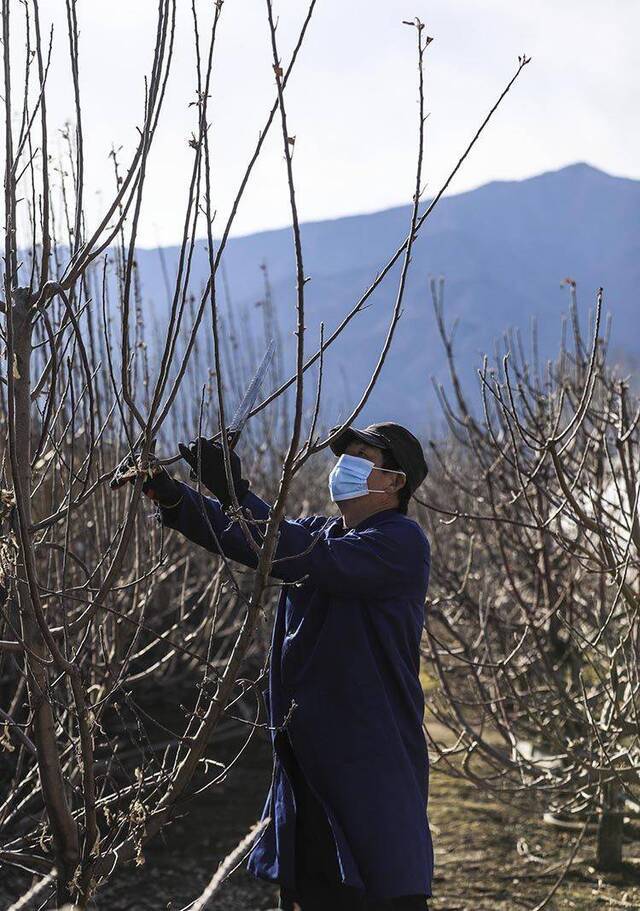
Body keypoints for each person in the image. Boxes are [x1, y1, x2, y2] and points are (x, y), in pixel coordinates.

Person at [118, 422, 434, 910]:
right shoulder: (317, 531)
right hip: (307, 754)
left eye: (361, 455)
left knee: (375, 881)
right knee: (313, 885)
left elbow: (303, 556)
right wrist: (168, 491)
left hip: (370, 753)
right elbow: (252, 537)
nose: (345, 465)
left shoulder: (400, 543)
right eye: (345, 454)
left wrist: (236, 492)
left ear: (395, 481)